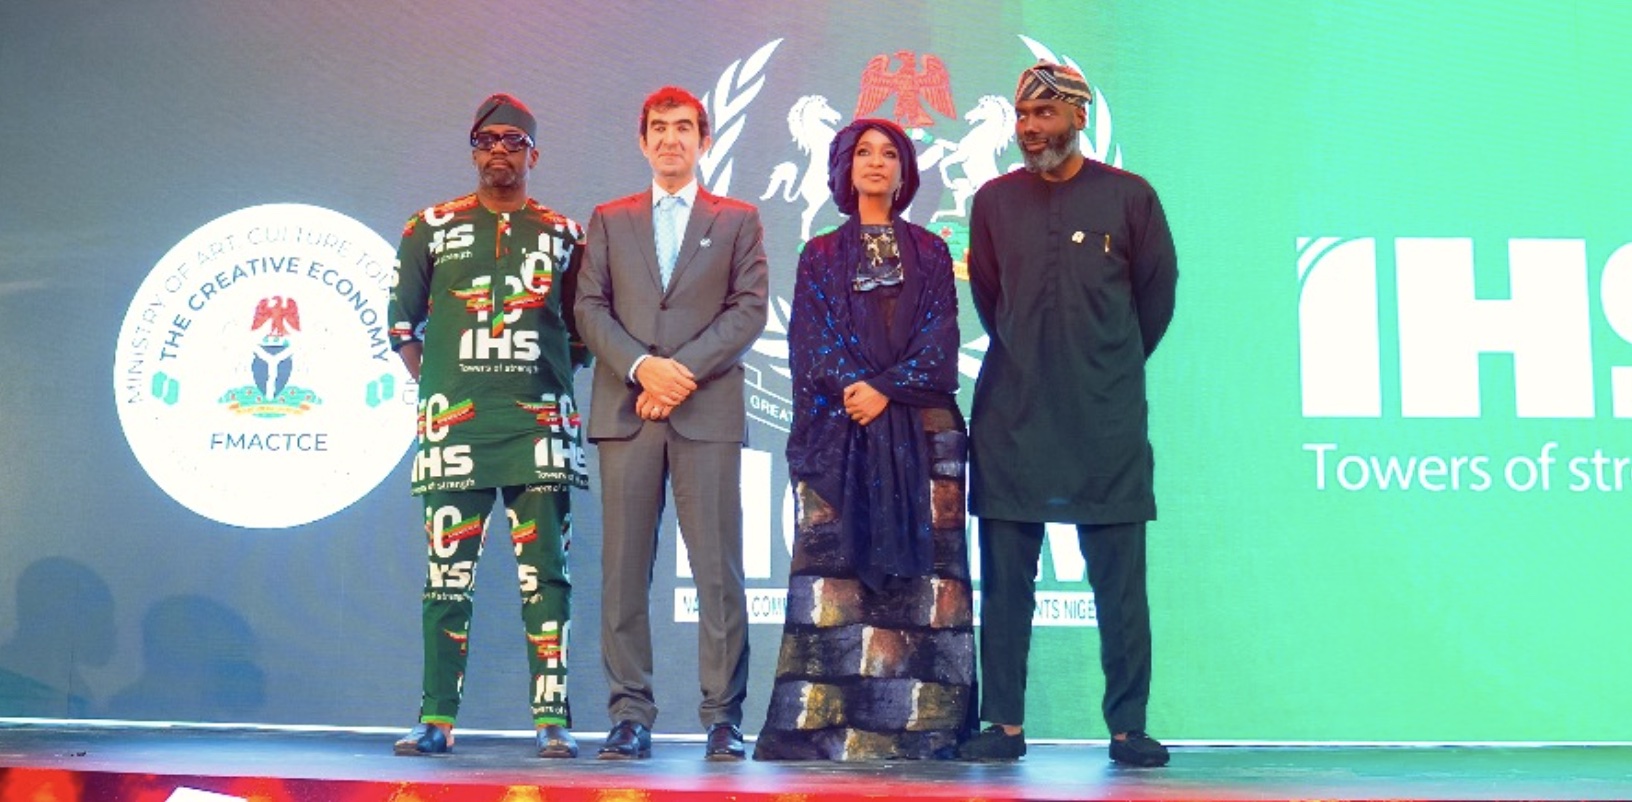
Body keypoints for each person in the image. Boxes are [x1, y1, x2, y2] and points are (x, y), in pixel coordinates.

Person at [956, 62, 1178, 767]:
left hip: (1104, 419)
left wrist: (1102, 364)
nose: (1030, 129)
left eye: (1045, 116)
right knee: (1007, 582)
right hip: (1013, 415)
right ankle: (1003, 727)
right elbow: (992, 301)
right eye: (1023, 116)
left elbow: (1156, 298)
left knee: (1119, 586)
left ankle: (1128, 729)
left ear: (1078, 118)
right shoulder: (992, 201)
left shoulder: (1130, 197)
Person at [753, 119, 974, 761]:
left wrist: (887, 389)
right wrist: (860, 389)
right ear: (845, 168)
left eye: (889, 154)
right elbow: (811, 345)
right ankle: (830, 729)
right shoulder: (819, 255)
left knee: (927, 588)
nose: (876, 163)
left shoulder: (932, 251)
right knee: (838, 587)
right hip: (841, 443)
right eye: (864, 153)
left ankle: (923, 727)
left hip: (925, 442)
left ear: (905, 172)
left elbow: (941, 345)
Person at [387, 93, 589, 759]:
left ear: (534, 152)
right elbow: (401, 323)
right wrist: (443, 386)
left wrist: (545, 380)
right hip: (456, 430)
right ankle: (436, 719)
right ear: (473, 150)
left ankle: (553, 718)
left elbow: (582, 332)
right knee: (446, 580)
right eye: (485, 140)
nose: (497, 150)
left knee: (547, 578)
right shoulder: (429, 226)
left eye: (511, 139)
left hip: (540, 428)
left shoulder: (565, 234)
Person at [574, 85, 769, 761]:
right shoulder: (610, 218)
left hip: (705, 412)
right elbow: (589, 309)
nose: (670, 139)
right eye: (658, 128)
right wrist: (640, 369)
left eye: (684, 128)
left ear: (704, 140)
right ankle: (630, 715)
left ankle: (723, 717)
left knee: (719, 572)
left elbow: (748, 311)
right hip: (627, 415)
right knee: (624, 573)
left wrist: (676, 372)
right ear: (641, 140)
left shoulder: (738, 219)